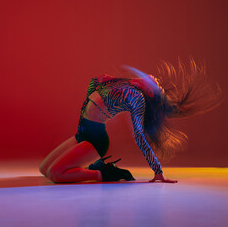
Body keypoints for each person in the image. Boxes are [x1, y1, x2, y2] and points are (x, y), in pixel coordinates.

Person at [39, 59, 222, 183]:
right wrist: (99, 84)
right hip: (82, 131)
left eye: (159, 88)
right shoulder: (125, 83)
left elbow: (139, 136)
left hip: (94, 139)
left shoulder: (137, 98)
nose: (158, 80)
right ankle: (92, 166)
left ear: (151, 94)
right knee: (43, 169)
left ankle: (105, 173)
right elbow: (93, 84)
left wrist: (157, 170)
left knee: (55, 173)